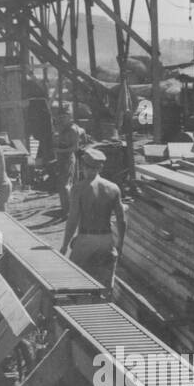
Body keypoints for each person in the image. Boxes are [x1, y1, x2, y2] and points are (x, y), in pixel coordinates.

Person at [61, 146, 125, 293]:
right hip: (106, 239)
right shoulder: (113, 188)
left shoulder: (78, 189)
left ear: (83, 166)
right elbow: (122, 220)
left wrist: (65, 245)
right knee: (105, 283)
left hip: (85, 239)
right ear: (100, 167)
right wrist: (120, 243)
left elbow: (73, 219)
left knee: (75, 279)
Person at [54, 112, 88, 216]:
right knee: (65, 184)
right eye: (59, 119)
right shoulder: (63, 128)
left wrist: (58, 150)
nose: (61, 121)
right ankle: (67, 209)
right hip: (62, 157)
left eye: (63, 118)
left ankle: (69, 211)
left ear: (69, 119)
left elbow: (75, 148)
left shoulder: (73, 129)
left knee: (66, 185)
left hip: (68, 157)